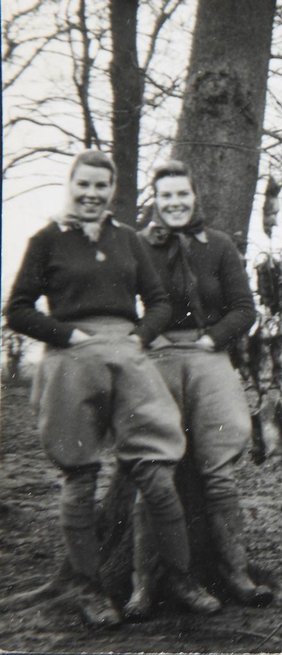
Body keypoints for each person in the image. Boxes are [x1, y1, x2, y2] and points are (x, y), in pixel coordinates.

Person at [3, 150, 222, 628]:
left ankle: (180, 578)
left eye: (101, 186)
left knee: (157, 476)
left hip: (127, 358)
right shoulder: (47, 240)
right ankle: (88, 588)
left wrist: (138, 338)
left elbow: (159, 301)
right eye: (84, 185)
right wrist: (70, 336)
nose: (92, 194)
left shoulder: (126, 239)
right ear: (71, 185)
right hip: (70, 361)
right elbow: (17, 309)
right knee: (79, 481)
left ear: (112, 192)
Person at [123, 160, 272, 620]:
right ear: (156, 200)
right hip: (156, 361)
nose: (174, 204)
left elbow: (244, 309)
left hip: (208, 356)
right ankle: (145, 585)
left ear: (194, 197)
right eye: (166, 197)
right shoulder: (137, 245)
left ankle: (236, 574)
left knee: (218, 470)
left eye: (182, 196)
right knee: (154, 471)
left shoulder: (220, 246)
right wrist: (149, 336)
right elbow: (119, 304)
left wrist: (211, 340)